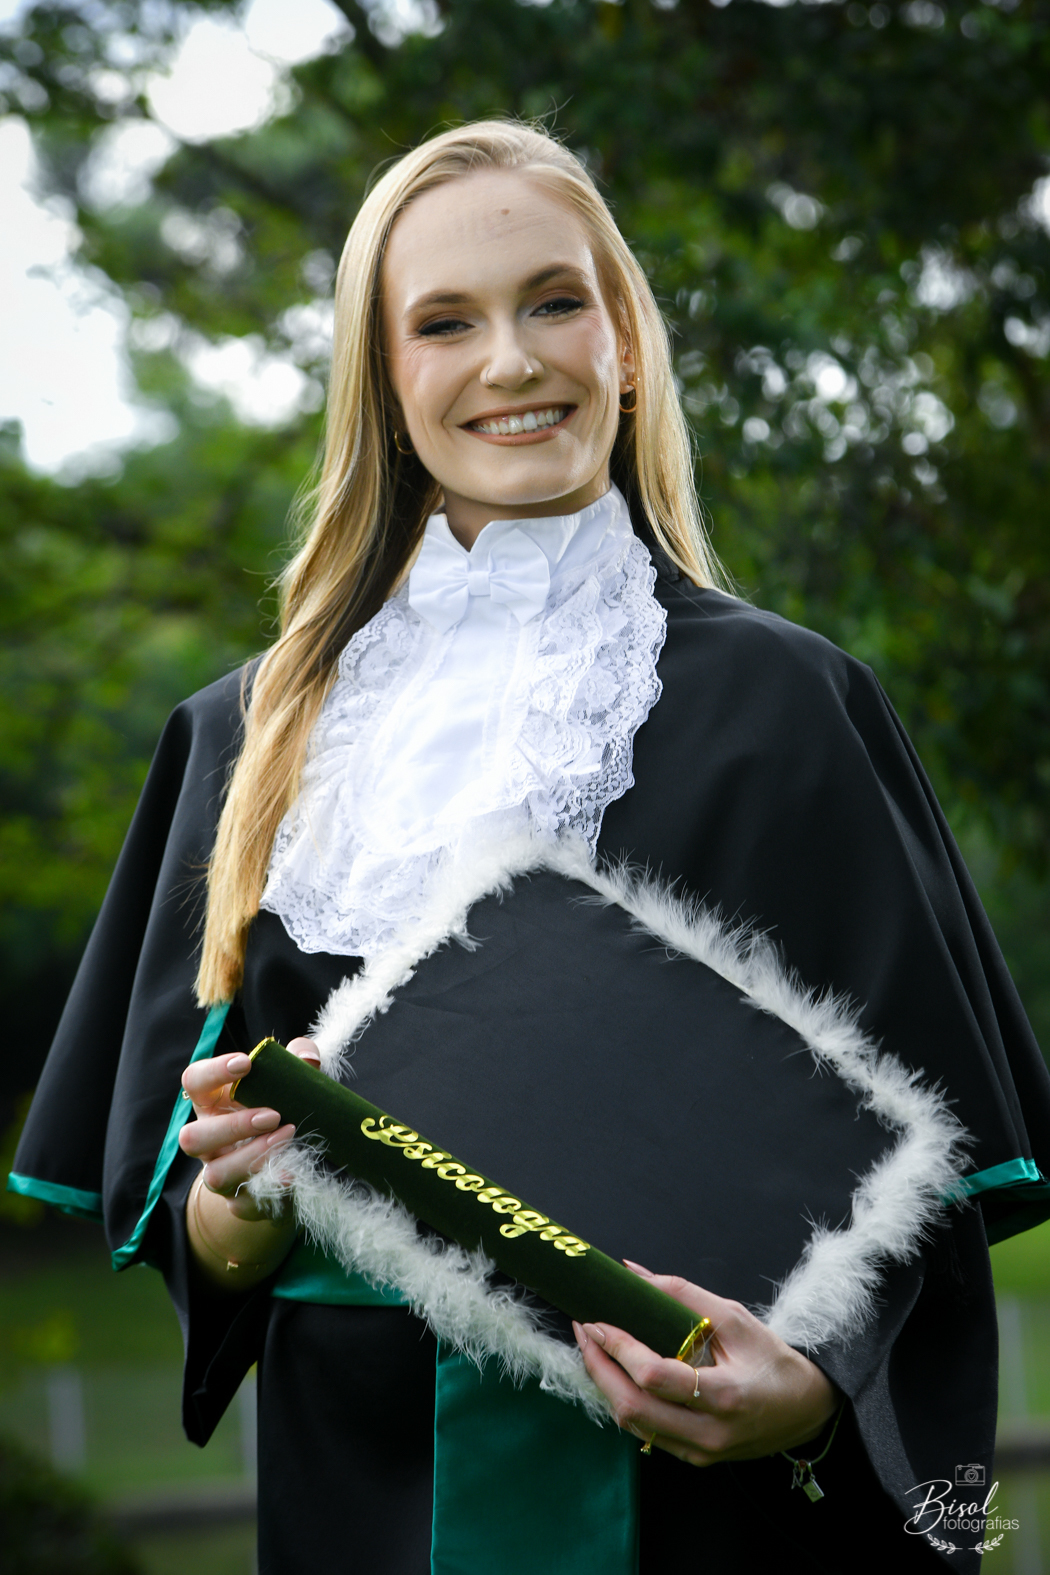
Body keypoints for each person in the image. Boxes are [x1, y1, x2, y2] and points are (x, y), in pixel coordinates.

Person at [11, 121, 1050, 1575]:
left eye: (554, 301)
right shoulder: (243, 735)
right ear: (381, 379)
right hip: (359, 1499)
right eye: (443, 322)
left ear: (623, 339)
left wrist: (807, 1397)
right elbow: (191, 1225)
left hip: (701, 1503)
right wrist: (235, 1202)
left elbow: (913, 1182)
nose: (510, 362)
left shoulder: (789, 703)